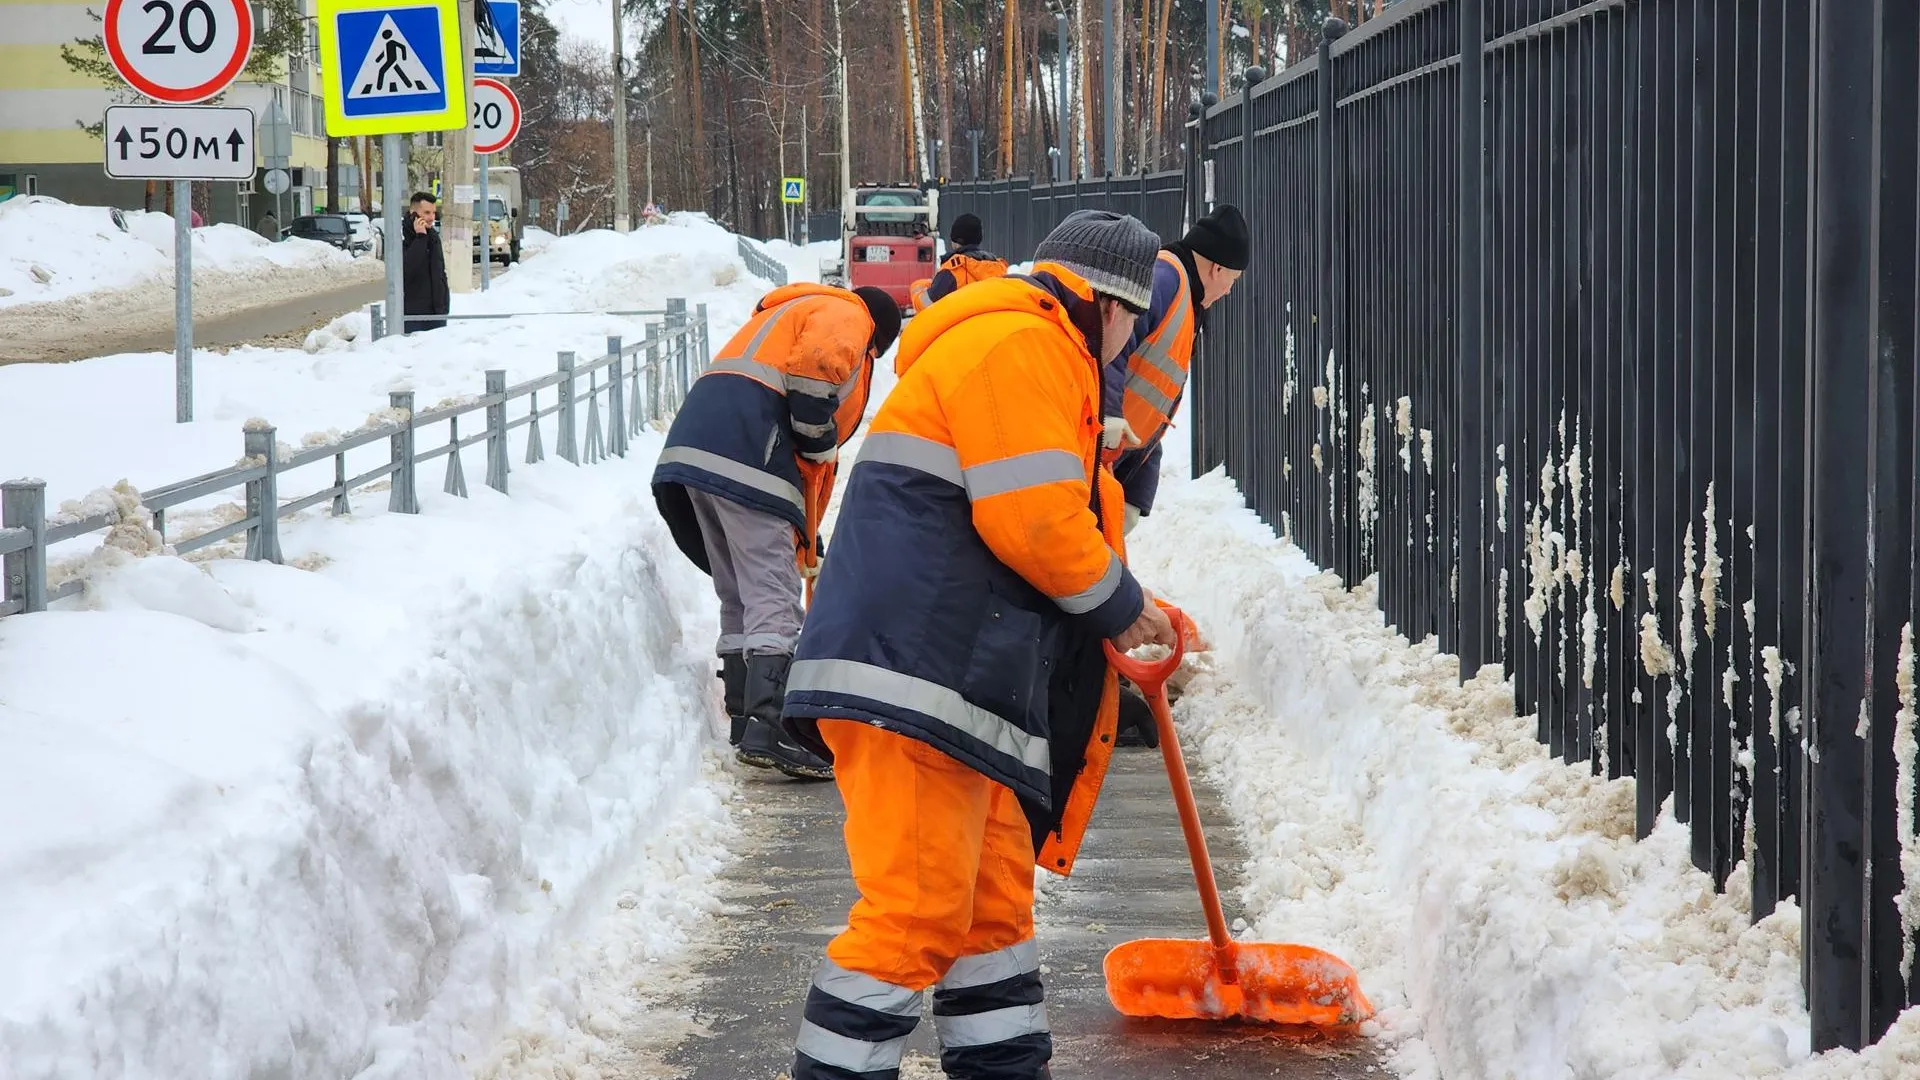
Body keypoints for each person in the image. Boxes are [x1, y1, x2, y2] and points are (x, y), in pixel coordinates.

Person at [780, 210, 1180, 1080]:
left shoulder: (1028, 349)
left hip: (956, 682)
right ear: (1111, 307)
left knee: (991, 912)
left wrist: (1132, 602)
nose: (1129, 347)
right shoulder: (1022, 347)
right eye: (1134, 327)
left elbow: (1055, 518)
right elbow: (1034, 521)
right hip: (915, 677)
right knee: (918, 911)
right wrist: (1122, 605)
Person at [652, 282, 903, 781]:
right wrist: (818, 441)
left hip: (698, 451)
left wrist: (806, 536)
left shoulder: (791, 312)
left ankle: (745, 716)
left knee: (741, 591)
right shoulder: (848, 315)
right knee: (772, 590)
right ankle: (772, 725)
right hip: (749, 454)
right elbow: (813, 382)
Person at [1102, 203, 1248, 747]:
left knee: (1102, 570)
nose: (1231, 290)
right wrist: (1110, 415)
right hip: (1094, 451)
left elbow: (1157, 405)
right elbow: (1114, 342)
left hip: (1114, 465)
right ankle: (1100, 698)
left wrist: (1138, 492)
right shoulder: (1165, 276)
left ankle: (1103, 691)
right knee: (1089, 579)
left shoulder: (1186, 300)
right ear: (1213, 267)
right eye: (1232, 278)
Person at [911, 213, 1009, 310]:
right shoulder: (998, 268)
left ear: (954, 240)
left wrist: (918, 288)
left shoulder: (952, 271)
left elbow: (926, 305)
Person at [402, 192, 449, 334]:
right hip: (414, 316)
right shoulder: (403, 235)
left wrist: (444, 303)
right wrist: (420, 237)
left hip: (437, 312)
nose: (431, 218)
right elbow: (408, 268)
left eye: (434, 213)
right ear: (413, 213)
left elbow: (439, 271)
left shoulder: (433, 236)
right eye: (427, 213)